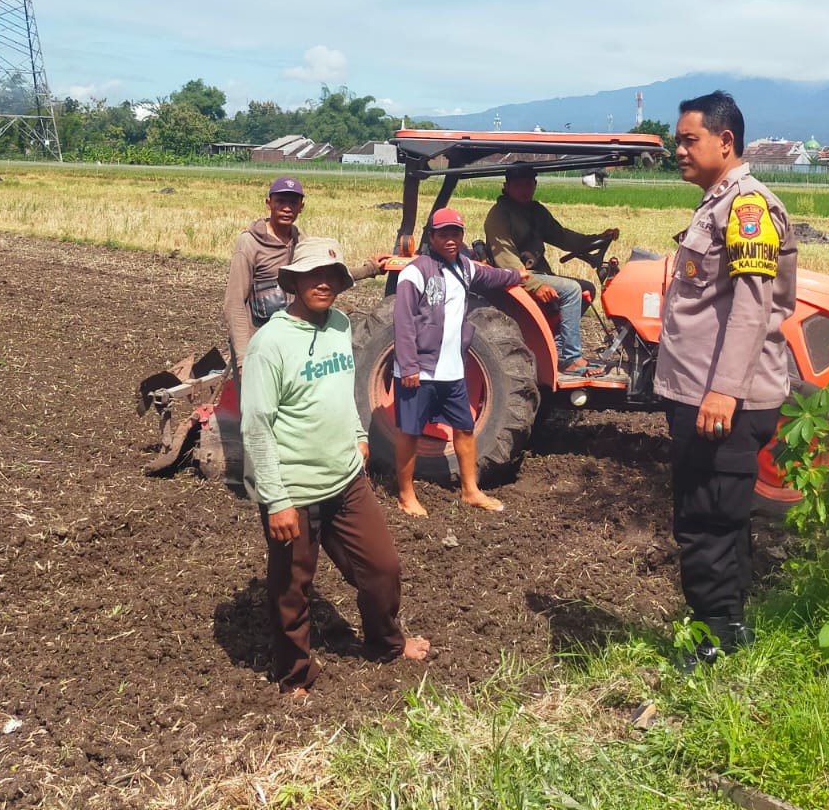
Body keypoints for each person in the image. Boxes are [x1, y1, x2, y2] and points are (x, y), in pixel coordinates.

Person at [239, 236, 430, 695]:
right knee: (291, 589)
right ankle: (296, 675)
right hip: (294, 488)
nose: (322, 284)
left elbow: (342, 391)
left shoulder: (340, 325)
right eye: (312, 276)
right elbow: (255, 425)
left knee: (382, 568)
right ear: (296, 281)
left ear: (340, 284)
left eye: (330, 277)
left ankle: (386, 641)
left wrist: (360, 436)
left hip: (347, 479)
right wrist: (277, 499)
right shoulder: (271, 343)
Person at [654, 91, 797, 668]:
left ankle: (713, 646)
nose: (679, 150)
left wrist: (724, 390)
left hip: (721, 398)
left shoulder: (746, 208)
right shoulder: (717, 204)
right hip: (706, 392)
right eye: (679, 139)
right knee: (721, 516)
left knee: (706, 519)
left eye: (689, 140)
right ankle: (731, 632)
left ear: (725, 142)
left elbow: (751, 306)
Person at [392, 207, 524, 516]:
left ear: (462, 236)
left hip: (451, 370)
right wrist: (409, 366)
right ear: (432, 237)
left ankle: (471, 490)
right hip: (420, 370)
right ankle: (405, 495)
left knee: (464, 427)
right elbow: (403, 320)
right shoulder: (416, 271)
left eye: (455, 233)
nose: (450, 239)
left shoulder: (465, 267)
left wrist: (519, 275)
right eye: (443, 234)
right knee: (409, 431)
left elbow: (493, 275)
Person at [482, 163, 619, 377]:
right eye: (519, 185)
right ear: (506, 186)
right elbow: (506, 261)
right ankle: (571, 359)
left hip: (537, 274)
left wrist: (597, 238)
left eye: (529, 184)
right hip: (514, 278)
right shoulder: (499, 214)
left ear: (535, 185)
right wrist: (535, 285)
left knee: (586, 289)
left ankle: (555, 347)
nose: (525, 189)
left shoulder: (535, 210)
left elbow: (562, 237)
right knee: (572, 290)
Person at [224, 176, 304, 369]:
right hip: (259, 344)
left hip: (291, 342)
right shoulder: (249, 243)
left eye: (293, 203)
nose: (287, 208)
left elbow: (325, 276)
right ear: (269, 204)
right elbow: (234, 303)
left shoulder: (300, 241)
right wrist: (243, 359)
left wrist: (370, 269)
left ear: (301, 207)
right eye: (281, 201)